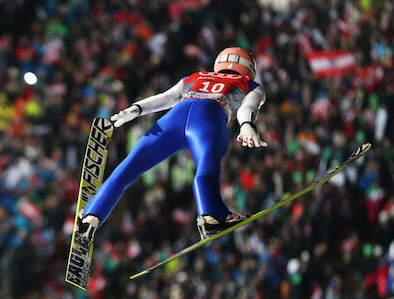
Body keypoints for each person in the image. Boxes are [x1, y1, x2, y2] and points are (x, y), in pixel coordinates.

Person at [77, 47, 267, 242]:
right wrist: (246, 126)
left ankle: (92, 214)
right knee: (206, 167)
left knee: (129, 166)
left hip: (172, 120)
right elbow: (248, 108)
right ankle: (211, 216)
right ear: (249, 67)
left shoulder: (196, 76)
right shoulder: (250, 84)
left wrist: (137, 108)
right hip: (209, 119)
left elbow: (168, 97)